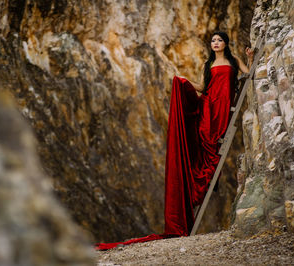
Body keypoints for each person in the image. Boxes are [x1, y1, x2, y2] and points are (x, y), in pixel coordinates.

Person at [96, 32, 254, 250]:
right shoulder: (208, 64)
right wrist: (184, 81)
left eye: (219, 40)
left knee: (212, 139)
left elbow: (249, 74)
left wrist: (250, 58)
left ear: (225, 43)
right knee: (203, 136)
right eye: (213, 41)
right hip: (208, 106)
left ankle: (202, 174)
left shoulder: (234, 61)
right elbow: (203, 88)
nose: (215, 43)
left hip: (223, 108)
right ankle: (198, 178)